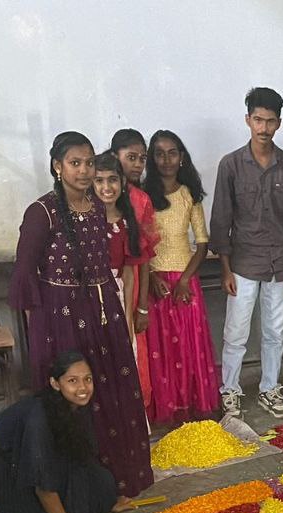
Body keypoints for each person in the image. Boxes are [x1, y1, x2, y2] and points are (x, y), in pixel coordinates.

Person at [9, 131, 153, 495]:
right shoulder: (41, 212)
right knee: (71, 398)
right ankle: (76, 490)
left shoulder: (97, 206)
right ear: (57, 167)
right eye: (75, 163)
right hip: (60, 319)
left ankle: (115, 481)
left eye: (89, 162)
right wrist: (40, 334)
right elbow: (24, 274)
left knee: (110, 390)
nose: (85, 170)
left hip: (103, 314)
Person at [210, 87, 283, 418]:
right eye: (258, 120)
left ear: (279, 123)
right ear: (247, 120)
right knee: (236, 332)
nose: (263, 128)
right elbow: (221, 219)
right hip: (242, 264)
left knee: (274, 333)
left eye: (270, 121)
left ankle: (269, 388)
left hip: (281, 264)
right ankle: (230, 390)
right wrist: (225, 269)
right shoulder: (231, 165)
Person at [0, 352, 134, 513]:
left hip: (35, 469)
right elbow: (43, 487)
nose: (83, 388)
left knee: (99, 477)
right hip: (10, 483)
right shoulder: (39, 419)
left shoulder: (70, 405)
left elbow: (80, 457)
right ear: (55, 383)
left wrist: (106, 502)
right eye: (72, 381)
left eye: (88, 379)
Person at [143, 129, 220, 422]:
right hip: (154, 283)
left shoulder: (190, 195)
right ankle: (167, 409)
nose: (166, 160)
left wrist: (185, 280)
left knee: (189, 347)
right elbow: (138, 244)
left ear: (182, 157)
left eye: (172, 153)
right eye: (159, 154)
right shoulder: (142, 196)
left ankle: (191, 405)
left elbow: (202, 243)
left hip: (186, 282)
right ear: (152, 159)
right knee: (161, 350)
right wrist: (152, 276)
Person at [94, 151, 155, 414]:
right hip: (90, 299)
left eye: (112, 180)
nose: (106, 187)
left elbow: (129, 275)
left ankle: (127, 421)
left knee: (123, 357)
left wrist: (129, 318)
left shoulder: (127, 222)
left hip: (117, 298)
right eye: (98, 181)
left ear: (122, 182)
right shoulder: (84, 221)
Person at [109, 129, 161, 409]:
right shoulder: (95, 196)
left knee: (133, 350)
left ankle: (134, 416)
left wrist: (142, 308)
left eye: (142, 158)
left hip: (131, 287)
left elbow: (143, 258)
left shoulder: (141, 200)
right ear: (114, 155)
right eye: (131, 157)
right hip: (100, 288)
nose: (138, 164)